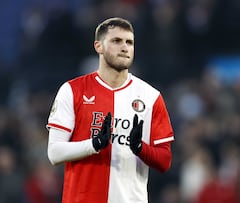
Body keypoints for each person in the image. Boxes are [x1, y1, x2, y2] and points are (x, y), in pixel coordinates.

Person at [46, 17, 175, 203]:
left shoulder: (150, 96)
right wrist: (94, 144)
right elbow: (54, 153)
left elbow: (164, 161)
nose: (125, 47)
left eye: (129, 42)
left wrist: (140, 148)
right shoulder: (72, 90)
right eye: (116, 41)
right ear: (98, 46)